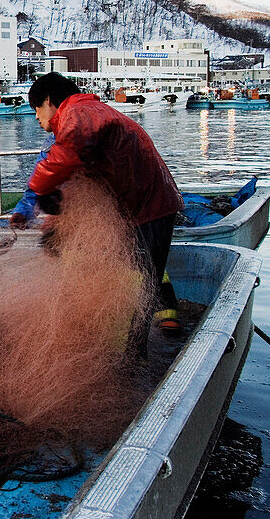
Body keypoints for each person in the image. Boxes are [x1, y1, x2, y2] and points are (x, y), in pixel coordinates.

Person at [26, 72, 183, 336]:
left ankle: (128, 358)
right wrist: (53, 227)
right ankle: (130, 349)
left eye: (36, 109)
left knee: (135, 286)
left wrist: (39, 187)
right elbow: (78, 184)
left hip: (146, 207)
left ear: (49, 100)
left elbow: (64, 159)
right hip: (143, 206)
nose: (36, 117)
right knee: (138, 280)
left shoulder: (78, 113)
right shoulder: (90, 112)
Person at [0, 132, 55, 229]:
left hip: (58, 208)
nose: (37, 116)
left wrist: (23, 211)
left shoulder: (59, 143)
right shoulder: (55, 140)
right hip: (53, 205)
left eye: (38, 114)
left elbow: (39, 184)